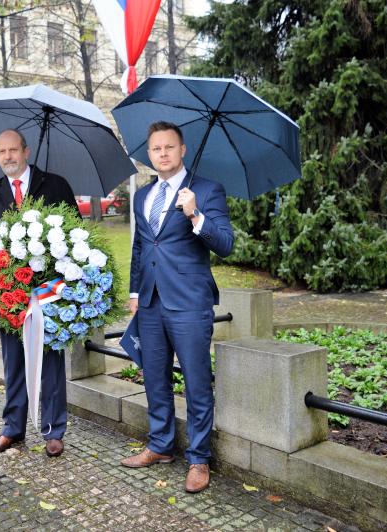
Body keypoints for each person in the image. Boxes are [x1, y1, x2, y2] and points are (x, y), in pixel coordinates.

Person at [120, 122, 234, 493]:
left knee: (197, 381)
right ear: (149, 154)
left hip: (189, 303)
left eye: (169, 147)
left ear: (182, 150)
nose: (163, 153)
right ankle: (160, 445)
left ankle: (199, 458)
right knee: (155, 377)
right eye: (156, 148)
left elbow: (226, 244)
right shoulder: (144, 196)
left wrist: (196, 215)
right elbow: (141, 246)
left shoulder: (207, 190)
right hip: (151, 302)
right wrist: (135, 292)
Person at [0, 129, 78, 458]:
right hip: (8, 294)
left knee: (51, 363)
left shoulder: (55, 185)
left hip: (47, 293)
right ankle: (13, 428)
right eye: (2, 152)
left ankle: (53, 430)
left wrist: (41, 237)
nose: (8, 157)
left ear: (26, 152)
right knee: (13, 363)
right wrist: (5, 233)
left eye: (13, 150)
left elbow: (76, 229)